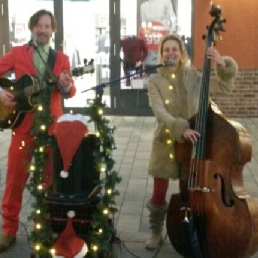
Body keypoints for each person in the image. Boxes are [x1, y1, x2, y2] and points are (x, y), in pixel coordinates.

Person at [146, 34, 238, 250]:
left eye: (174, 49)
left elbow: (222, 87)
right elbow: (159, 111)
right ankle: (155, 231)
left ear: (181, 53)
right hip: (166, 141)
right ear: (161, 54)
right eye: (166, 49)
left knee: (186, 189)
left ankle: (184, 228)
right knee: (159, 191)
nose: (171, 53)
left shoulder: (193, 76)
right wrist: (180, 127)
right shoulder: (154, 80)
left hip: (191, 144)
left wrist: (222, 63)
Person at [0, 9, 76, 252]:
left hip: (52, 127)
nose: (43, 30)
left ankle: (42, 227)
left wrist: (67, 85)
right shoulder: (18, 53)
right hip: (22, 126)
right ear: (32, 28)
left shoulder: (61, 59)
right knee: (14, 180)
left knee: (48, 180)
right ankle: (8, 230)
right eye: (39, 26)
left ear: (52, 30)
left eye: (47, 26)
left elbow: (70, 91)